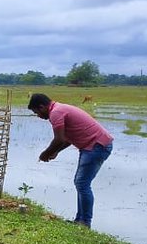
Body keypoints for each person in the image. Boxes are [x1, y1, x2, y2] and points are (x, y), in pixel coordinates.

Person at [28, 92, 114, 228]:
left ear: (42, 107)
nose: (38, 116)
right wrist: (56, 151)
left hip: (97, 146)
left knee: (82, 183)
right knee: (81, 183)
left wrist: (45, 153)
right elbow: (68, 138)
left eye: (36, 112)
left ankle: (85, 222)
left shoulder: (56, 113)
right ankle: (80, 220)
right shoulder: (59, 109)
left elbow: (59, 139)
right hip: (94, 145)